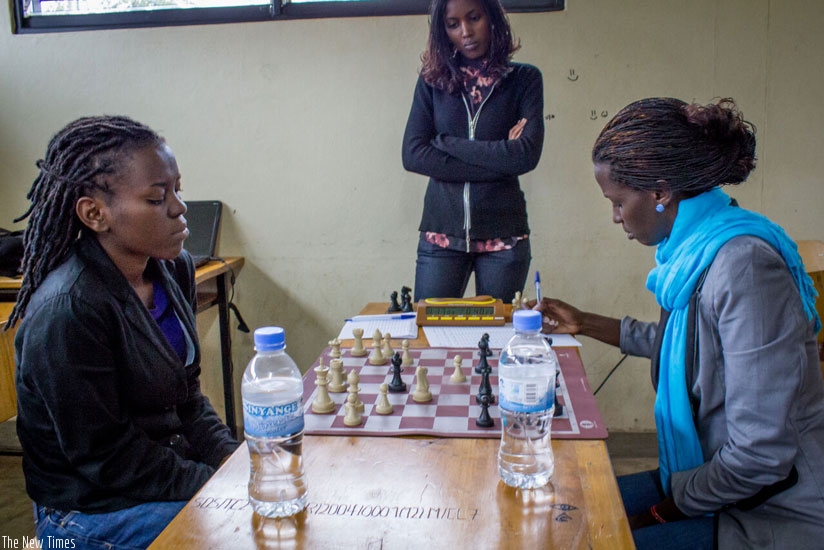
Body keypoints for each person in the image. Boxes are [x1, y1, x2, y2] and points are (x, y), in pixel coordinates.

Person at [533, 98, 824, 549]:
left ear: (661, 193)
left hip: (771, 511)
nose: (615, 217)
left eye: (617, 202)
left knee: (582, 539)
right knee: (555, 512)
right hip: (708, 476)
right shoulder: (694, 251)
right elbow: (688, 349)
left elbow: (760, 456)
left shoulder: (743, 266)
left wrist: (659, 514)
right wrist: (584, 322)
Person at [7, 116, 239, 549]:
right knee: (242, 532)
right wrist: (216, 486)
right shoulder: (69, 309)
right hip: (90, 509)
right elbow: (106, 456)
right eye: (156, 198)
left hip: (158, 473)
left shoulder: (174, 267)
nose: (178, 208)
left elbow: (187, 398)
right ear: (95, 214)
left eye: (177, 190)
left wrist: (234, 462)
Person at [402, 0, 544, 303]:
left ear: (492, 17)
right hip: (441, 236)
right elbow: (413, 154)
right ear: (443, 30)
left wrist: (446, 143)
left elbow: (525, 156)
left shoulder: (524, 80)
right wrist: (501, 159)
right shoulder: (432, 83)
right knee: (432, 335)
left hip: (504, 238)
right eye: (453, 24)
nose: (466, 31)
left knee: (496, 341)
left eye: (474, 18)